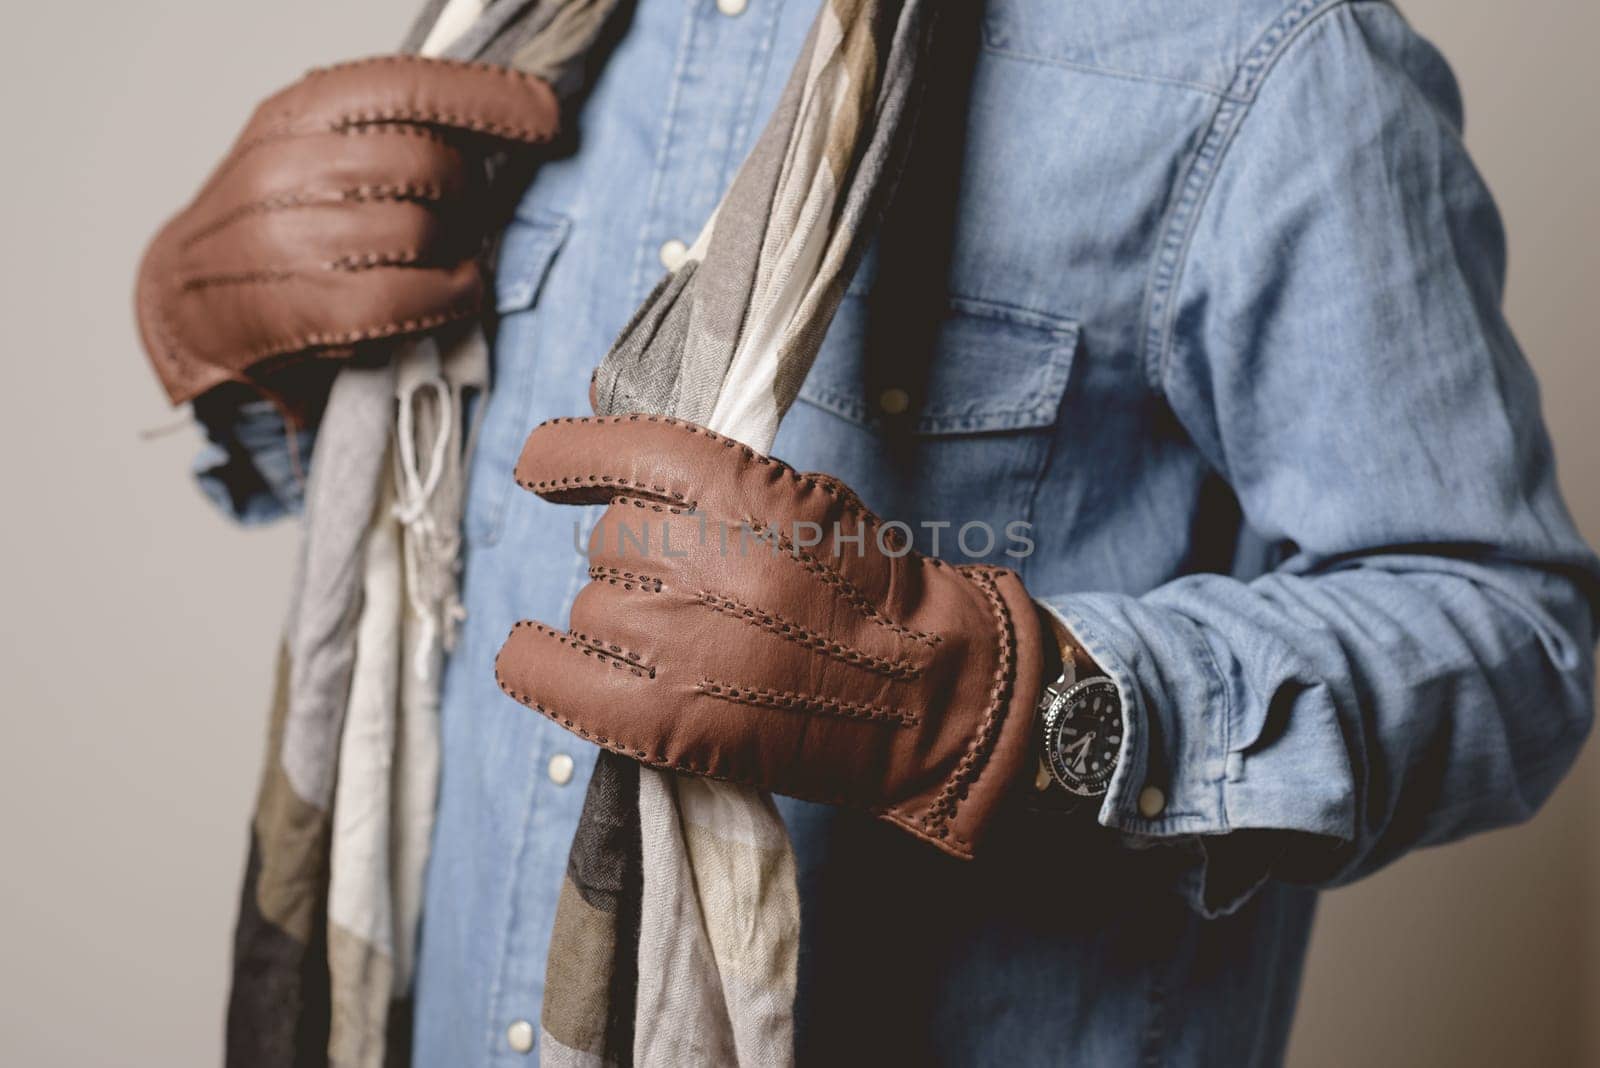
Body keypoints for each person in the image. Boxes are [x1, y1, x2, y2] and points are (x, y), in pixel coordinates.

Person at [183, 0, 1598, 1063]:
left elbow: (1515, 637)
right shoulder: (539, 24)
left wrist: (1016, 707)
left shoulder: (1261, 55)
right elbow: (451, 520)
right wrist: (265, 387)